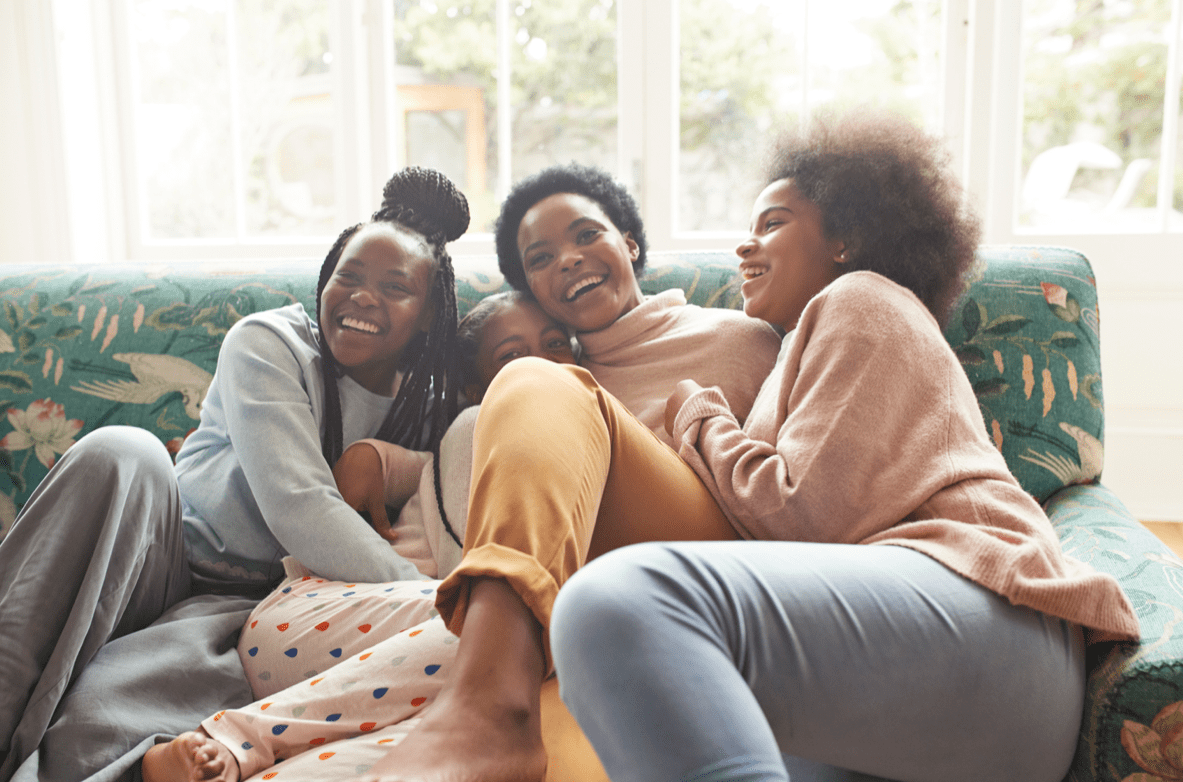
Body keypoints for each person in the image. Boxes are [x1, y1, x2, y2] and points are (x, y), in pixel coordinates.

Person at [546, 109, 1143, 782]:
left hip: (988, 612)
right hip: (957, 702)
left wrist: (697, 413)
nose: (744, 248)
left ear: (846, 238)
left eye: (772, 223)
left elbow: (803, 515)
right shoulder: (800, 354)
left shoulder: (861, 299)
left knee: (617, 604)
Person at [195, 163, 777, 782]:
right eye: (541, 257)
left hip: (632, 591)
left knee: (520, 658)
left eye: (587, 235)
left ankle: (245, 748)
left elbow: (778, 487)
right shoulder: (532, 389)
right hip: (364, 610)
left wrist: (702, 419)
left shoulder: (739, 341)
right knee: (515, 646)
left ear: (630, 241)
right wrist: (381, 462)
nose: (570, 261)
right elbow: (469, 465)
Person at [0, 166, 470, 780]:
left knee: (109, 723)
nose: (360, 297)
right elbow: (301, 508)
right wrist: (443, 607)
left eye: (393, 287)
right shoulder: (270, 342)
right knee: (126, 451)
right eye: (346, 277)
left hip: (256, 605)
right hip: (160, 553)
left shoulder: (430, 406)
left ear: (431, 313)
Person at [140, 289, 583, 782]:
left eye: (556, 345)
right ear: (476, 388)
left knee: (461, 728)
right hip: (313, 615)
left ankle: (220, 765)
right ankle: (235, 735)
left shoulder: (584, 449)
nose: (541, 364)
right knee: (526, 623)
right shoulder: (480, 426)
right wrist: (370, 457)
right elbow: (484, 574)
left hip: (397, 663)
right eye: (513, 356)